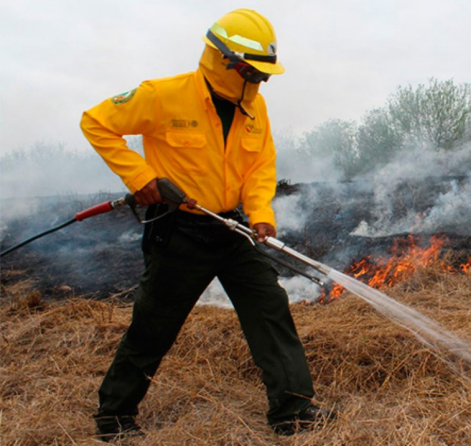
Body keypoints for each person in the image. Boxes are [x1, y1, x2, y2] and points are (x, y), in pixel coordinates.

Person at [80, 9, 333, 440]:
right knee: (154, 323)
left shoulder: (255, 109)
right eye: (254, 73)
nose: (261, 82)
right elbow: (96, 122)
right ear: (225, 61)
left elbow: (260, 168)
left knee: (269, 310)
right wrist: (141, 179)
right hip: (178, 232)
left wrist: (261, 214)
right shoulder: (164, 95)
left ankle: (293, 412)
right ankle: (115, 415)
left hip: (232, 230)